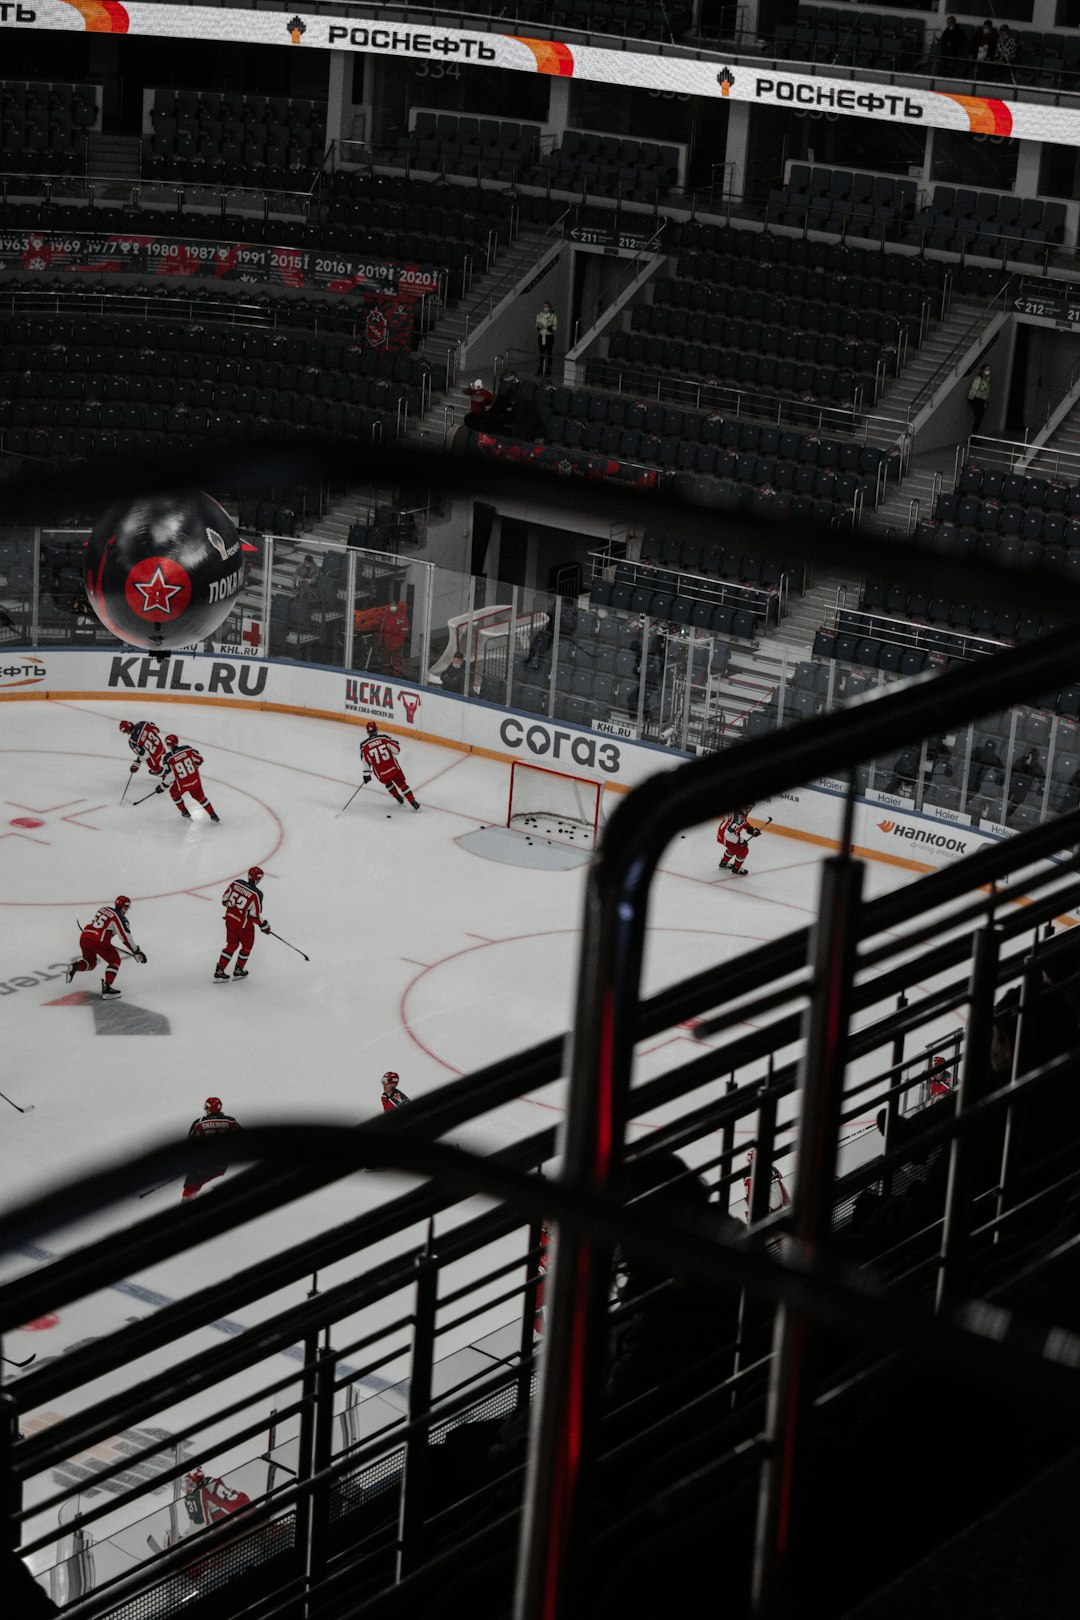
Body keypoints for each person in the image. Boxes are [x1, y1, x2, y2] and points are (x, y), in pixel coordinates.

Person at [65, 895, 146, 999]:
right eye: (126, 907)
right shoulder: (120, 918)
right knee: (115, 960)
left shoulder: (104, 909)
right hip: (99, 941)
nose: (126, 910)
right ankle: (107, 989)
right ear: (123, 907)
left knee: (90, 963)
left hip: (85, 937)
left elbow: (102, 926)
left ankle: (75, 966)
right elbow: (126, 937)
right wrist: (136, 951)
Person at [215, 866, 271, 981]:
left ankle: (219, 971)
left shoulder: (236, 883)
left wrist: (233, 912)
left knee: (231, 946)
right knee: (246, 947)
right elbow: (254, 915)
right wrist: (264, 925)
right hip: (244, 927)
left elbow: (224, 900)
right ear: (258, 879)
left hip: (230, 920)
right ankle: (238, 970)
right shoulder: (256, 894)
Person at [182, 1097, 242, 1199]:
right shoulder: (231, 1122)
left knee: (190, 1189)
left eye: (206, 1107)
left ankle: (185, 1206)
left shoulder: (199, 1124)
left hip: (203, 1167)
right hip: (224, 1166)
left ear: (209, 1108)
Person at [360, 719, 420, 810]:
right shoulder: (384, 738)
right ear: (376, 730)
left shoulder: (364, 746)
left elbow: (365, 762)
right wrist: (395, 743)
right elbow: (397, 751)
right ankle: (413, 802)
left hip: (381, 773)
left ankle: (397, 797)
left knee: (388, 782)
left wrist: (366, 775)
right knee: (402, 784)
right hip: (394, 769)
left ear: (368, 732)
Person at [157, 735, 219, 822]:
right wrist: (193, 769)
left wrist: (163, 786)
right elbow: (200, 759)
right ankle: (213, 815)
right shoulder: (187, 749)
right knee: (201, 798)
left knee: (174, 793)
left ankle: (184, 811)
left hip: (182, 784)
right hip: (195, 780)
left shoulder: (167, 758)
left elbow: (170, 775)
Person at [716, 805, 762, 875]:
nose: (750, 809)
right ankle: (736, 869)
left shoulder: (739, 811)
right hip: (726, 836)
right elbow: (728, 834)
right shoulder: (738, 818)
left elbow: (742, 822)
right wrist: (741, 841)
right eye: (749, 807)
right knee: (743, 849)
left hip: (723, 832)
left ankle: (723, 863)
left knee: (734, 848)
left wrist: (751, 829)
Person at [377, 599, 409, 678]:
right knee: (385, 656)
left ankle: (398, 672)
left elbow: (403, 632)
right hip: (386, 641)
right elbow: (382, 628)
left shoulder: (402, 617)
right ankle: (385, 670)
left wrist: (398, 643)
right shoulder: (386, 614)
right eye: (391, 605)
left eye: (394, 605)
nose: (392, 607)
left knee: (396, 658)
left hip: (396, 641)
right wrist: (380, 640)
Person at [535, 300, 557, 378]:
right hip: (541, 336)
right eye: (544, 306)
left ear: (549, 307)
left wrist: (547, 326)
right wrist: (540, 326)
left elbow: (554, 328)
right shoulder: (539, 315)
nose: (545, 308)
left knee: (549, 354)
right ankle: (541, 369)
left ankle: (549, 370)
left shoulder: (553, 316)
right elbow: (537, 326)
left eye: (547, 306)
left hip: (549, 337)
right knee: (541, 354)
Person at [967, 364, 991, 434]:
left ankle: (974, 435)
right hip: (978, 400)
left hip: (982, 401)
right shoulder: (979, 379)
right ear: (982, 370)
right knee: (978, 419)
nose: (988, 371)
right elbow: (976, 389)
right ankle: (973, 436)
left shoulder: (985, 379)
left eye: (989, 370)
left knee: (979, 419)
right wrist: (971, 398)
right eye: (987, 369)